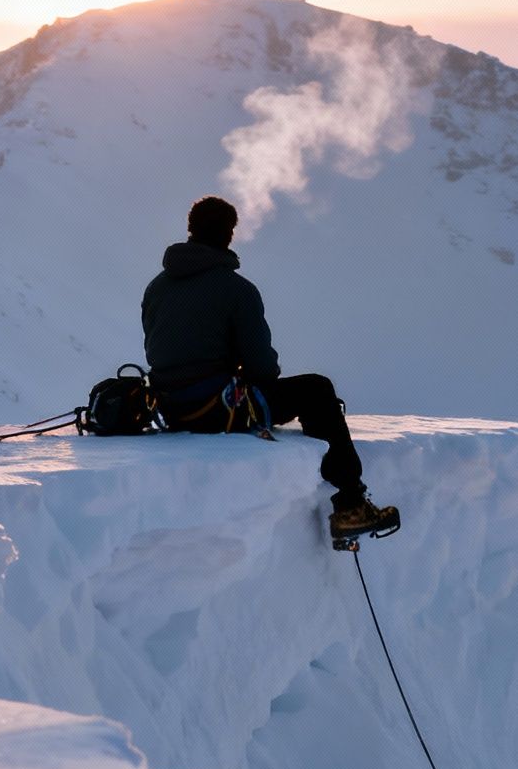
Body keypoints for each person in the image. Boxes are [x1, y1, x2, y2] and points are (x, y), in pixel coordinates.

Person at [140, 195, 399, 543]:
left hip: (170, 408)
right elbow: (263, 368)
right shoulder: (237, 290)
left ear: (191, 229)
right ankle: (351, 503)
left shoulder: (157, 286)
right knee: (317, 389)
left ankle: (350, 502)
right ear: (229, 233)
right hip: (216, 410)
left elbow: (156, 346)